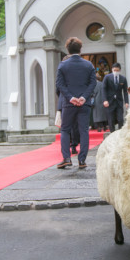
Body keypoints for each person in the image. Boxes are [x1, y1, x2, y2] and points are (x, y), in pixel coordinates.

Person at [55, 37, 96, 169]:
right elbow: (93, 83)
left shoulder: (63, 65)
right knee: (84, 130)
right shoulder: (88, 65)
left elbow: (59, 84)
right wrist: (84, 97)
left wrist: (71, 97)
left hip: (68, 103)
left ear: (67, 49)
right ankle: (82, 160)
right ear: (80, 48)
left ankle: (66, 158)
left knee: (65, 130)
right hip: (84, 104)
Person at [103, 62, 129, 132]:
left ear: (120, 70)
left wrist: (126, 102)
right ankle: (112, 134)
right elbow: (104, 89)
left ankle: (120, 133)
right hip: (109, 102)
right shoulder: (107, 77)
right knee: (111, 120)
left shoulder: (123, 79)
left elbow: (125, 91)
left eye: (117, 70)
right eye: (114, 70)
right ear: (112, 70)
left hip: (119, 101)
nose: (116, 72)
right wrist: (105, 100)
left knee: (120, 119)